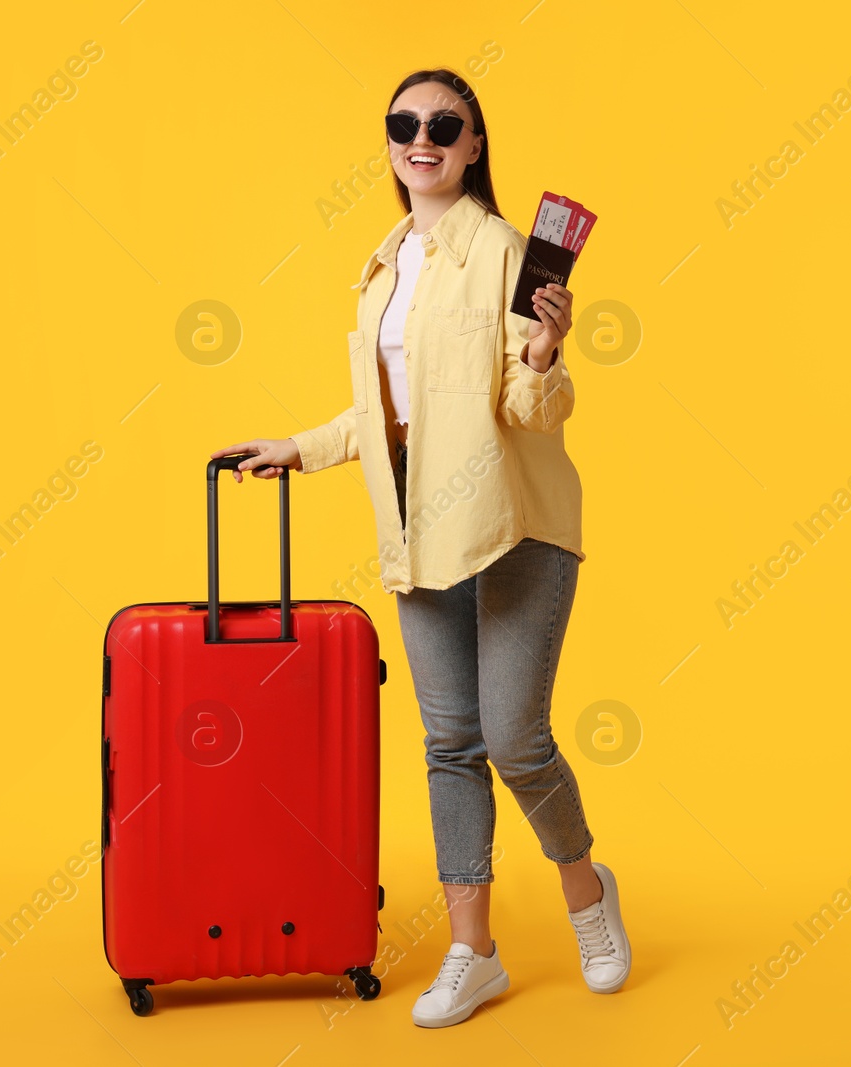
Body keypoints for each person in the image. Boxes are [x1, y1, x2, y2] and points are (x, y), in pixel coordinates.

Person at [210, 67, 628, 1027]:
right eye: (405, 123)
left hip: (514, 525)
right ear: (391, 142)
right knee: (450, 743)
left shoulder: (511, 252)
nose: (423, 137)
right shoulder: (387, 262)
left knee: (516, 740)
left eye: (446, 123)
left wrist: (543, 352)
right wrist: (299, 449)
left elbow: (532, 413)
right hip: (418, 529)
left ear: (476, 143)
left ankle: (586, 895)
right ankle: (473, 951)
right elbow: (385, 414)